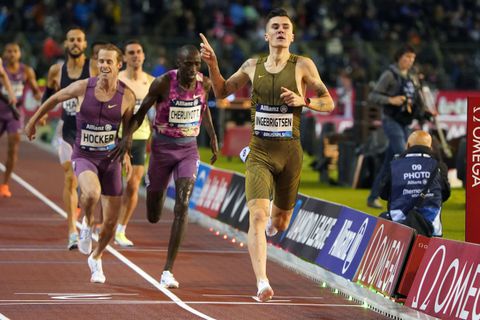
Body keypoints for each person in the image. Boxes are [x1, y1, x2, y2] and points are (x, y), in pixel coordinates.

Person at [199, 8, 334, 302]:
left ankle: (276, 222)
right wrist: (213, 64)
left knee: (280, 223)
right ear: (266, 35)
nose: (281, 30)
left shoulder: (303, 66)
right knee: (258, 216)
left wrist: (305, 100)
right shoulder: (251, 65)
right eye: (275, 27)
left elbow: (328, 102)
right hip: (259, 152)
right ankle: (262, 282)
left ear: (293, 36)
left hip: (290, 155)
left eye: (286, 27)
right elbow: (221, 91)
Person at [25, 44, 135, 283]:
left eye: (109, 62)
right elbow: (54, 97)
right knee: (92, 194)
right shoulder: (84, 87)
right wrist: (33, 121)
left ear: (119, 65)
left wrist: (126, 153)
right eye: (101, 61)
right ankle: (86, 222)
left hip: (111, 159)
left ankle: (96, 257)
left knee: (110, 222)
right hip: (84, 155)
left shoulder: (127, 95)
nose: (105, 65)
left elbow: (127, 130)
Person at [115, 44, 218, 288]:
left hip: (188, 149)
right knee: (153, 214)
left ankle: (168, 270)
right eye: (187, 64)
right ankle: (155, 194)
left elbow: (204, 109)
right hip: (161, 149)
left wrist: (213, 136)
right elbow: (140, 114)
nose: (192, 69)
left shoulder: (205, 84)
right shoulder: (163, 83)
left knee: (183, 204)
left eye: (196, 64)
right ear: (178, 63)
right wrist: (126, 137)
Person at [42, 27, 96, 250]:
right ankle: (72, 231)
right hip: (67, 130)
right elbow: (49, 94)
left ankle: (87, 224)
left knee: (90, 185)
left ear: (85, 45)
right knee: (70, 179)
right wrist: (43, 113)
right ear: (65, 44)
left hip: (90, 131)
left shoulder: (93, 67)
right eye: (71, 39)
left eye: (79, 40)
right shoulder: (56, 70)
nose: (75, 43)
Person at [366, 45, 432, 209]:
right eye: (406, 57)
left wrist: (426, 112)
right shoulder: (389, 75)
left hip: (405, 122)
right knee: (404, 156)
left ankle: (373, 196)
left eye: (412, 58)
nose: (409, 61)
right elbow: (373, 95)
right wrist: (391, 100)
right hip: (391, 120)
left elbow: (416, 100)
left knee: (391, 161)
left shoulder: (412, 77)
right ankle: (404, 198)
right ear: (398, 57)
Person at [115, 40, 155, 247]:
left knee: (132, 185)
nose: (135, 56)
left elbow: (158, 113)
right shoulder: (117, 80)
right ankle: (104, 221)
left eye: (139, 52)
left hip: (139, 138)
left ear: (144, 56)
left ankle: (121, 229)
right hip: (115, 136)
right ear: (124, 57)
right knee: (111, 184)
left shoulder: (152, 82)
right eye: (131, 52)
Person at [379, 130, 450, 237]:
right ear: (430, 147)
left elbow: (383, 193)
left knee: (382, 217)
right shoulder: (439, 166)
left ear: (408, 145)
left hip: (399, 229)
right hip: (431, 232)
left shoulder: (395, 165)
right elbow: (445, 194)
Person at [0, 42, 42, 197]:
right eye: (9, 51)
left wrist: (41, 108)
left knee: (13, 150)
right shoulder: (1, 68)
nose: (12, 54)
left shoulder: (26, 71)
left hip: (15, 115)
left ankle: (4, 184)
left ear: (20, 54)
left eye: (15, 51)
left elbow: (36, 92)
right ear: (4, 53)